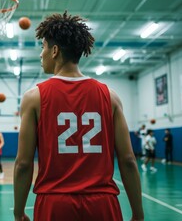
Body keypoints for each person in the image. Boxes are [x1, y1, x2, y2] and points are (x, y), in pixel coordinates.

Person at [13, 12, 144, 221]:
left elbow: (23, 164)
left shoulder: (33, 98)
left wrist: (18, 212)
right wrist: (138, 213)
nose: (41, 54)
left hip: (55, 203)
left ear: (54, 51)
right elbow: (128, 160)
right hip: (102, 203)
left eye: (43, 47)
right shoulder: (110, 97)